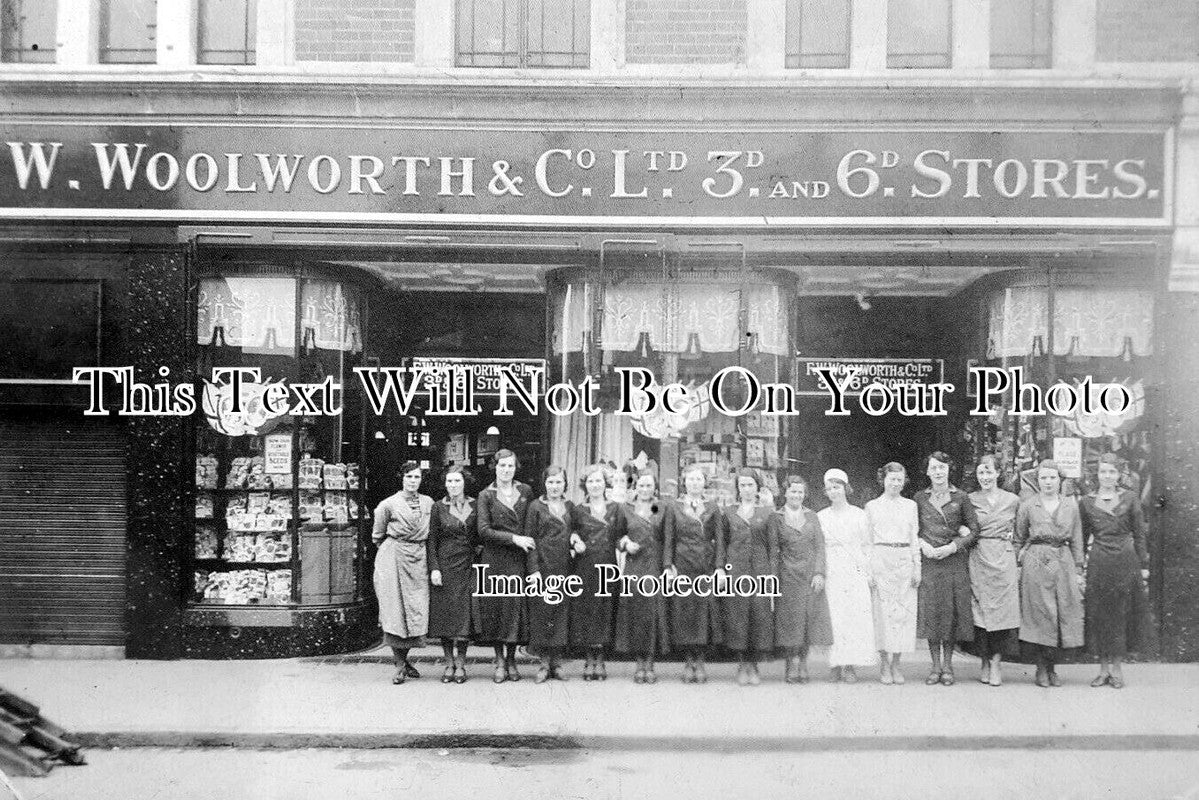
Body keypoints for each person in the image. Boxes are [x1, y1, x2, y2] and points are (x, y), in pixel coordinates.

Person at [1079, 453, 1150, 689]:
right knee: (1099, 615)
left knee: (1120, 614)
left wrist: (1143, 565)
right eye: (1103, 472)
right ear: (1097, 474)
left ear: (1119, 474)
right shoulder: (1087, 501)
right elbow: (1082, 536)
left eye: (1111, 472)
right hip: (1099, 562)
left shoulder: (1130, 498)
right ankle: (1102, 670)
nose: (1107, 476)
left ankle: (1117, 670)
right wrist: (1080, 566)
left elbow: (1139, 533)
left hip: (1125, 561)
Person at [1015, 459, 1085, 688]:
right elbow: (1019, 537)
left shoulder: (1070, 505)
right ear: (1037, 480)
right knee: (1041, 612)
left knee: (1060, 611)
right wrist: (1018, 564)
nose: (1047, 482)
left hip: (1062, 560)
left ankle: (1053, 666)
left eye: (1052, 477)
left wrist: (1078, 569)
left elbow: (1076, 539)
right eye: (1043, 477)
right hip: (1037, 559)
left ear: (1060, 480)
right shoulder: (1028, 505)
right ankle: (1041, 668)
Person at [915, 452, 980, 686]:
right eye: (934, 468)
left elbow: (974, 531)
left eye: (942, 467)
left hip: (953, 562)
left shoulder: (961, 497)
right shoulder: (920, 498)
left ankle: (948, 666)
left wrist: (954, 546)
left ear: (949, 470)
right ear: (927, 472)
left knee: (950, 615)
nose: (939, 472)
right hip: (931, 562)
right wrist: (922, 544)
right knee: (933, 614)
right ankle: (934, 667)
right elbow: (914, 528)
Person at [372, 461, 435, 685]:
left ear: (421, 479)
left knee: (416, 609)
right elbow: (378, 535)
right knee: (396, 610)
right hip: (394, 558)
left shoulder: (428, 503)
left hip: (418, 558)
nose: (412, 481)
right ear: (402, 478)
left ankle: (405, 660)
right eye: (409, 477)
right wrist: (393, 551)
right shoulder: (388, 504)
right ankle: (399, 665)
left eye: (417, 477)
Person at [475, 449, 535, 683]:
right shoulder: (485, 495)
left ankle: (512, 660)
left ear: (516, 467)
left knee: (515, 609)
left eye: (510, 466)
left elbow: (530, 524)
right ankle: (499, 661)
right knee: (497, 610)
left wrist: (524, 544)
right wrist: (513, 539)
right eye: (502, 466)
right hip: (496, 558)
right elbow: (483, 530)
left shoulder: (525, 491)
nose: (506, 470)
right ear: (495, 467)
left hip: (518, 559)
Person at [770, 475, 832, 684]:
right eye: (793, 491)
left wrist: (819, 573)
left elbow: (820, 547)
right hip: (786, 575)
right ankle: (790, 664)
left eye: (800, 492)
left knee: (806, 620)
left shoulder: (812, 516)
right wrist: (773, 578)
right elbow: (773, 549)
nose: (796, 495)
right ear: (785, 493)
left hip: (809, 576)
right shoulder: (776, 517)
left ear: (804, 494)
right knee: (788, 622)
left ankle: (803, 663)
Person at [719, 468, 777, 686]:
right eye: (742, 485)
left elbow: (773, 546)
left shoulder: (767, 513)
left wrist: (772, 575)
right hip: (736, 572)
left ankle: (754, 664)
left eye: (750, 485)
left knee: (758, 617)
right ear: (737, 488)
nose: (746, 489)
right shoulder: (729, 512)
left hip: (759, 571)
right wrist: (721, 569)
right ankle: (741, 663)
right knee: (737, 617)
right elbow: (722, 544)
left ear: (757, 487)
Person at [817, 468, 876, 683]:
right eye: (830, 488)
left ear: (846, 488)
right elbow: (818, 548)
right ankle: (835, 664)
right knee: (834, 617)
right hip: (832, 570)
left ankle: (850, 664)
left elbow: (867, 546)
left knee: (853, 617)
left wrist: (868, 573)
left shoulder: (859, 515)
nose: (834, 491)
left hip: (854, 570)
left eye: (837, 487)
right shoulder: (821, 516)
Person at [967, 455, 1021, 687]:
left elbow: (1020, 533)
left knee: (1003, 613)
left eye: (989, 472)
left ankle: (997, 662)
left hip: (1003, 557)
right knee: (980, 613)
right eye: (981, 473)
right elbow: (964, 525)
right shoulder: (969, 499)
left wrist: (1015, 557)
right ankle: (984, 662)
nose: (985, 477)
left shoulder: (1013, 500)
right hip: (979, 555)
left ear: (998, 473)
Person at [665, 464, 721, 683]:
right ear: (684, 482)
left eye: (698, 479)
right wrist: (668, 566)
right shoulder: (674, 506)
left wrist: (718, 567)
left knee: (703, 612)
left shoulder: (713, 507)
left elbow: (719, 541)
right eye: (690, 479)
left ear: (704, 483)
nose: (694, 483)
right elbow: (669, 538)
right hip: (682, 565)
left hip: (704, 565)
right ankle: (688, 660)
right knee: (684, 612)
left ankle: (701, 660)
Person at [865, 462, 920, 685]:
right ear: (883, 480)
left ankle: (897, 664)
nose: (895, 483)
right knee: (883, 615)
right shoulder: (872, 506)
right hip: (881, 559)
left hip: (904, 559)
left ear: (904, 481)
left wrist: (917, 567)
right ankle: (884, 664)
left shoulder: (910, 506)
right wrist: (869, 571)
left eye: (899, 479)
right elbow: (867, 542)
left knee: (902, 615)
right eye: (891, 479)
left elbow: (914, 537)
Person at [525, 465, 579, 683]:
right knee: (542, 614)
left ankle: (557, 663)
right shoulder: (535, 507)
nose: (554, 486)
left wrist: (575, 537)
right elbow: (529, 539)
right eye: (550, 482)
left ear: (564, 484)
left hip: (565, 568)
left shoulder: (570, 506)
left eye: (558, 482)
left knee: (560, 614)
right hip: (543, 567)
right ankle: (543, 663)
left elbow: (576, 529)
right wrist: (534, 570)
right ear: (544, 483)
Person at [569, 464, 623, 681]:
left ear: (605, 484)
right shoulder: (578, 509)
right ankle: (588, 659)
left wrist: (625, 542)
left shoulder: (616, 509)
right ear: (585, 485)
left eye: (598, 481)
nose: (594, 485)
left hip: (607, 565)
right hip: (585, 565)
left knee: (604, 610)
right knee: (587, 611)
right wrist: (574, 540)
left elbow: (621, 535)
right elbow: (570, 532)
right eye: (590, 481)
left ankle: (600, 660)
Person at [614, 470, 668, 683]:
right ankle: (639, 663)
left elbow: (668, 537)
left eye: (649, 486)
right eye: (641, 486)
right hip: (634, 567)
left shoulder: (662, 508)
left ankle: (650, 663)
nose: (645, 490)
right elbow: (617, 537)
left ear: (654, 487)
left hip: (654, 566)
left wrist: (667, 566)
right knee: (636, 613)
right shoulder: (625, 509)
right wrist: (626, 544)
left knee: (652, 614)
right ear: (635, 487)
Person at [427, 465, 477, 684]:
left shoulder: (475, 505)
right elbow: (432, 540)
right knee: (445, 617)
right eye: (449, 481)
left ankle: (461, 664)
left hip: (468, 565)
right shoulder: (438, 507)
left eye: (457, 481)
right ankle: (448, 663)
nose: (453, 485)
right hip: (445, 567)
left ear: (464, 482)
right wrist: (434, 568)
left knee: (463, 616)